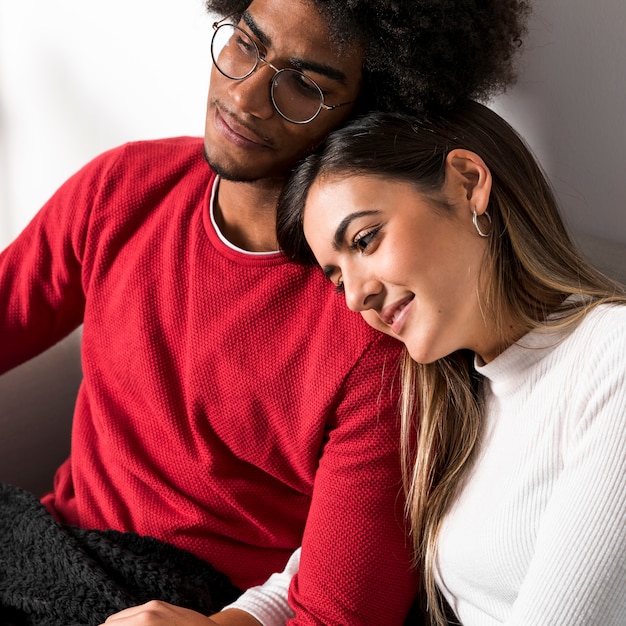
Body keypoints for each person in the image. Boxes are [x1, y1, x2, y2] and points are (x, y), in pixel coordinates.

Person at [0, 0, 531, 624]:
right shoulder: (123, 187)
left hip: (183, 604)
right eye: (247, 45)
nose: (247, 95)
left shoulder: (378, 326)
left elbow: (340, 613)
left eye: (304, 84)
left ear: (372, 110)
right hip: (42, 552)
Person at [268, 100, 626, 625]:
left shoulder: (611, 358)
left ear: (467, 182)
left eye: (365, 240)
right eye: (338, 277)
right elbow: (336, 550)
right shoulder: (454, 399)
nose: (354, 300)